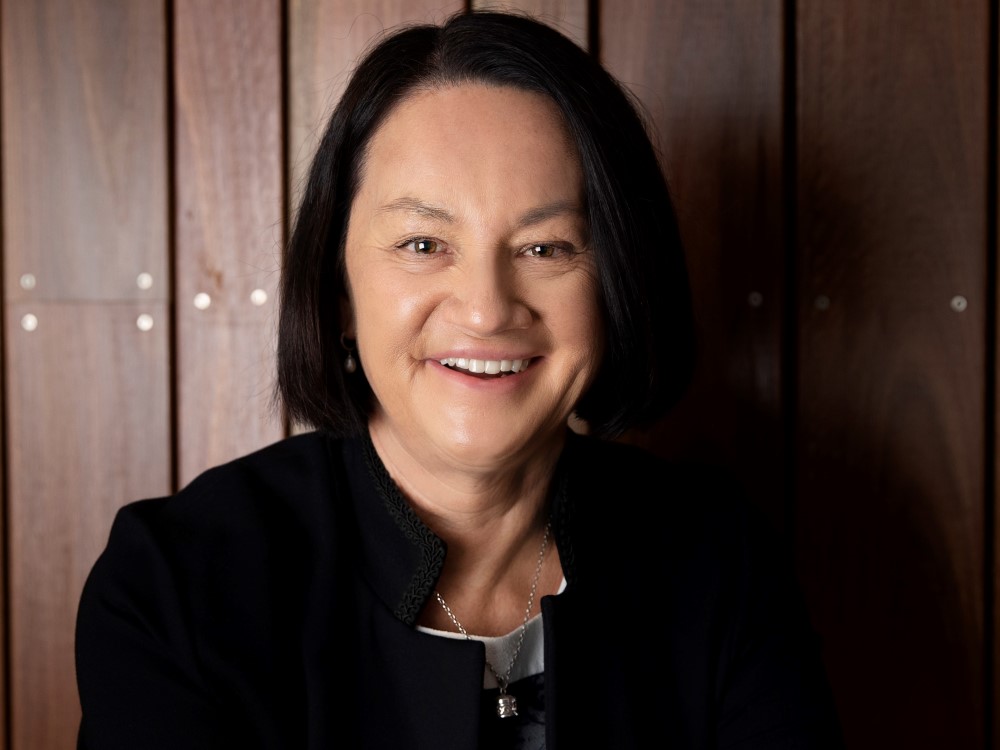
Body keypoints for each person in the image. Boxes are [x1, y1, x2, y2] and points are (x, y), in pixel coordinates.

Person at [75, 10, 843, 749]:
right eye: (422, 243)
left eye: (546, 248)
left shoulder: (717, 562)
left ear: (617, 285)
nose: (485, 309)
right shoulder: (177, 584)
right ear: (339, 291)